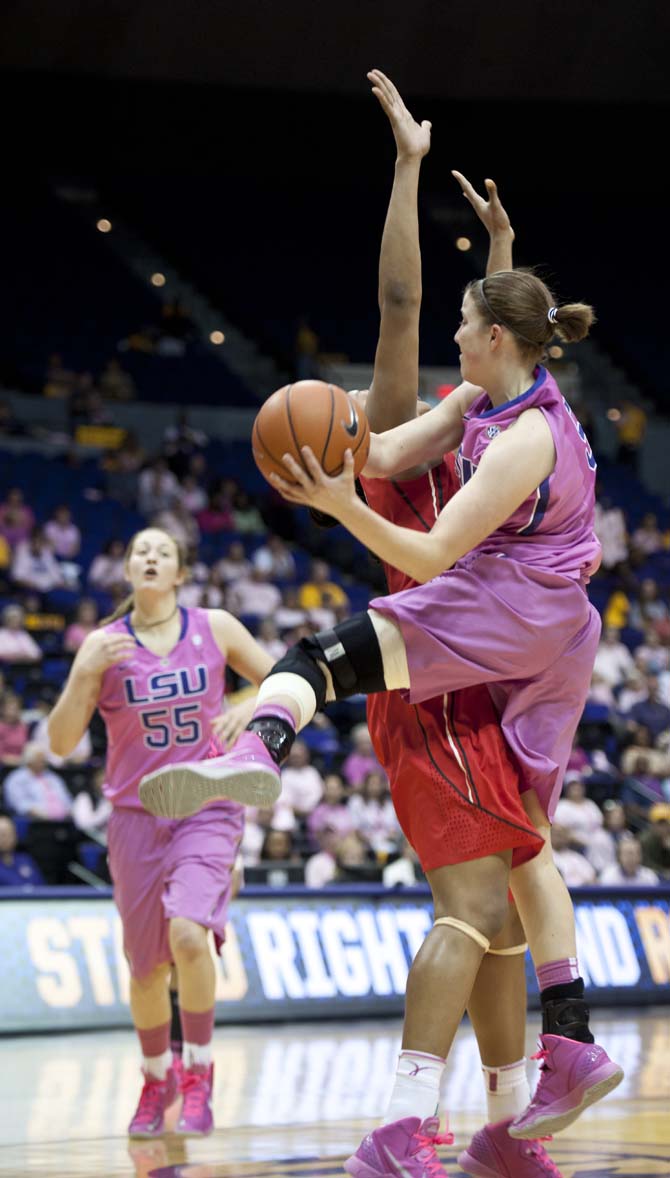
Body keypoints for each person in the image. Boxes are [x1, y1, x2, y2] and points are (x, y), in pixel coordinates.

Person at [140, 72, 623, 1166]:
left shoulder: (473, 426)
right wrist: (451, 211)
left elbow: (445, 320)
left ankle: (496, 1121)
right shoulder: (420, 429)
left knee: (492, 915)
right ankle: (451, 1117)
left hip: (466, 655)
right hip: (436, 670)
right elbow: (457, 326)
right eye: (344, 407)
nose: (363, 398)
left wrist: (415, 174)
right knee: (478, 907)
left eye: (351, 399)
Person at [48, 526, 274, 1138]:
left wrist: (245, 704)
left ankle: (199, 1071)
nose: (149, 556)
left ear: (179, 574)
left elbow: (283, 679)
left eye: (163, 552)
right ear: (128, 571)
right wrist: (82, 673)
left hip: (208, 803)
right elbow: (61, 743)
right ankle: (157, 1079)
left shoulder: (216, 627)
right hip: (134, 819)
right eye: (139, 550)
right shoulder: (103, 645)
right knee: (146, 969)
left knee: (189, 936)